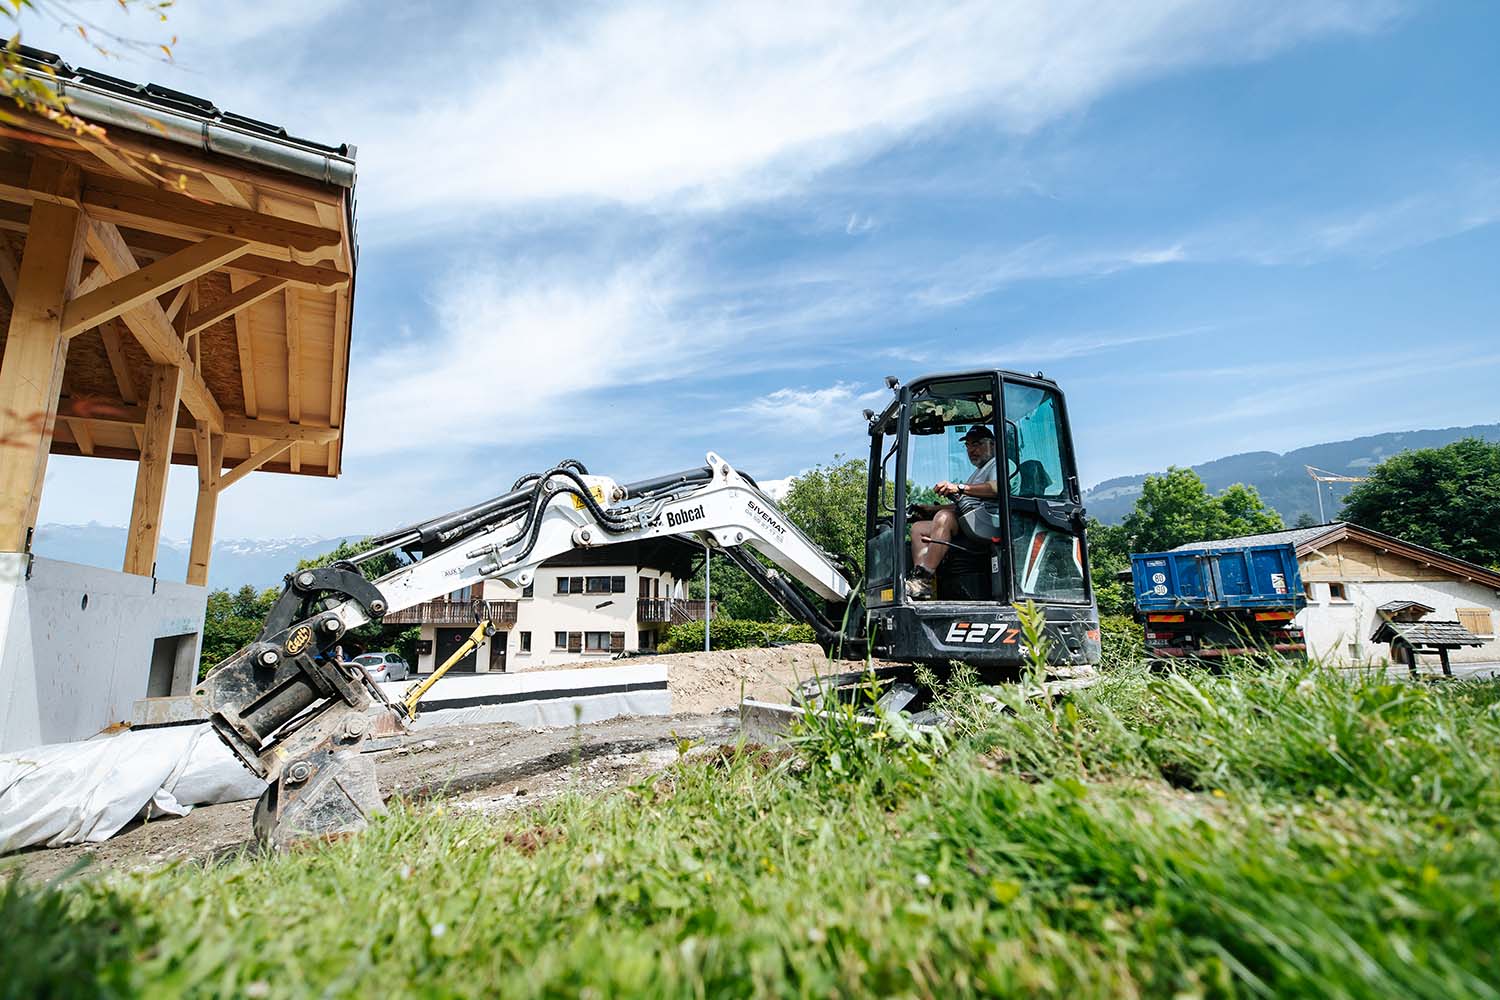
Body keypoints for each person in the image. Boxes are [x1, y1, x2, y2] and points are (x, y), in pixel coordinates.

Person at [907, 425, 999, 598]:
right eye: (968, 446)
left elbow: (996, 489)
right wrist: (931, 510)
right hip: (971, 521)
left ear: (992, 444)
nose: (971, 450)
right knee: (918, 528)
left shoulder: (999, 464)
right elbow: (962, 505)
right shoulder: (977, 473)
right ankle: (922, 584)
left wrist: (959, 487)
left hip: (990, 522)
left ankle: (925, 577)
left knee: (944, 518)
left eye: (976, 444)